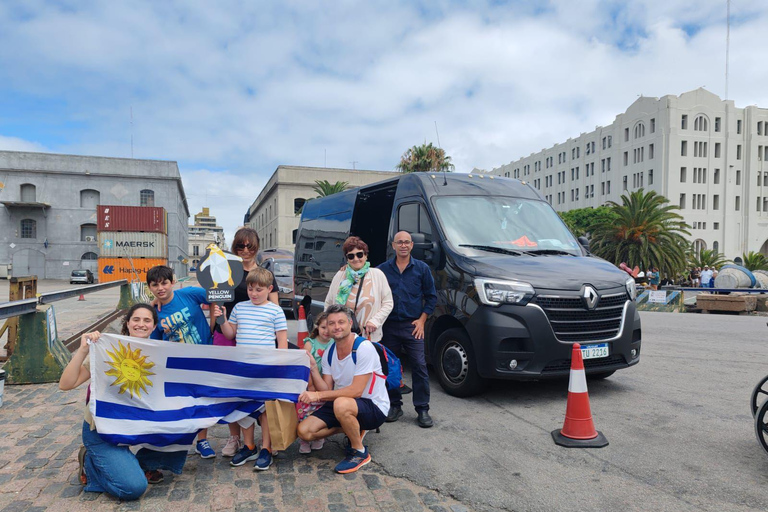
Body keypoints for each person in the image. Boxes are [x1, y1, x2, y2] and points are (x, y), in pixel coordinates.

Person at [59, 304, 187, 500]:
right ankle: (92, 467)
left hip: (138, 425)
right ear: (127, 323)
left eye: (147, 321)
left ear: (154, 327)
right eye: (136, 319)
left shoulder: (159, 354)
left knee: (185, 428)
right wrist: (83, 350)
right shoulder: (106, 350)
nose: (141, 324)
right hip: (103, 431)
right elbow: (66, 384)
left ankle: (143, 464)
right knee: (133, 488)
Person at [296, 304, 390, 474]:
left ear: (349, 323)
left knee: (340, 404)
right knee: (304, 432)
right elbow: (327, 388)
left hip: (373, 406)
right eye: (331, 323)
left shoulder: (363, 348)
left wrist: (316, 395)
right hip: (345, 403)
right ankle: (352, 427)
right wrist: (313, 368)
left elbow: (356, 391)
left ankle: (359, 451)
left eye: (341, 322)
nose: (336, 327)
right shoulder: (330, 351)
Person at [214, 227, 280, 458]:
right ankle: (235, 438)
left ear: (256, 247)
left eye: (249, 246)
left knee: (258, 392)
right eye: (240, 246)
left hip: (255, 339)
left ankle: (264, 443)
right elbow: (210, 295)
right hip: (227, 331)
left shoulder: (264, 275)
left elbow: (275, 309)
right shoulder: (225, 271)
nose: (245, 250)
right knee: (231, 391)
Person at [146, 265, 215, 459]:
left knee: (202, 400)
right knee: (182, 402)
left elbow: (214, 297)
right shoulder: (153, 312)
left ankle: (202, 440)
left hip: (203, 356)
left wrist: (212, 325)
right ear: (149, 287)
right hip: (177, 364)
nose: (161, 288)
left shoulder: (189, 294)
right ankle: (180, 439)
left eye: (164, 283)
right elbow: (155, 341)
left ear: (172, 282)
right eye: (155, 285)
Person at [378, 231, 437, 428]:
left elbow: (431, 297)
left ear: (412, 245)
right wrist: (346, 268)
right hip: (389, 327)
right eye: (399, 242)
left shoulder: (422, 269)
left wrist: (422, 321)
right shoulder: (382, 271)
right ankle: (395, 405)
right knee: (390, 369)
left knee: (420, 367)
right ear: (393, 246)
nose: (403, 245)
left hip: (413, 327)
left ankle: (422, 409)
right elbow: (363, 275)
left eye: (406, 242)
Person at [325, 236, 393, 342]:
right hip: (342, 337)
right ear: (347, 259)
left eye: (359, 254)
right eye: (351, 256)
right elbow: (329, 303)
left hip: (369, 335)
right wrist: (330, 325)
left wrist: (375, 321)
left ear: (366, 255)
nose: (356, 259)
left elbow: (388, 303)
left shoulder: (377, 275)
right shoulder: (340, 275)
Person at [297, 311, 332, 454]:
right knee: (305, 410)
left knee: (321, 408)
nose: (326, 331)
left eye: (329, 328)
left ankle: (318, 436)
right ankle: (304, 440)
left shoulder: (334, 344)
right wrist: (310, 387)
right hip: (310, 382)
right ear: (317, 327)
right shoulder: (310, 343)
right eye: (323, 327)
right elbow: (305, 365)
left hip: (326, 380)